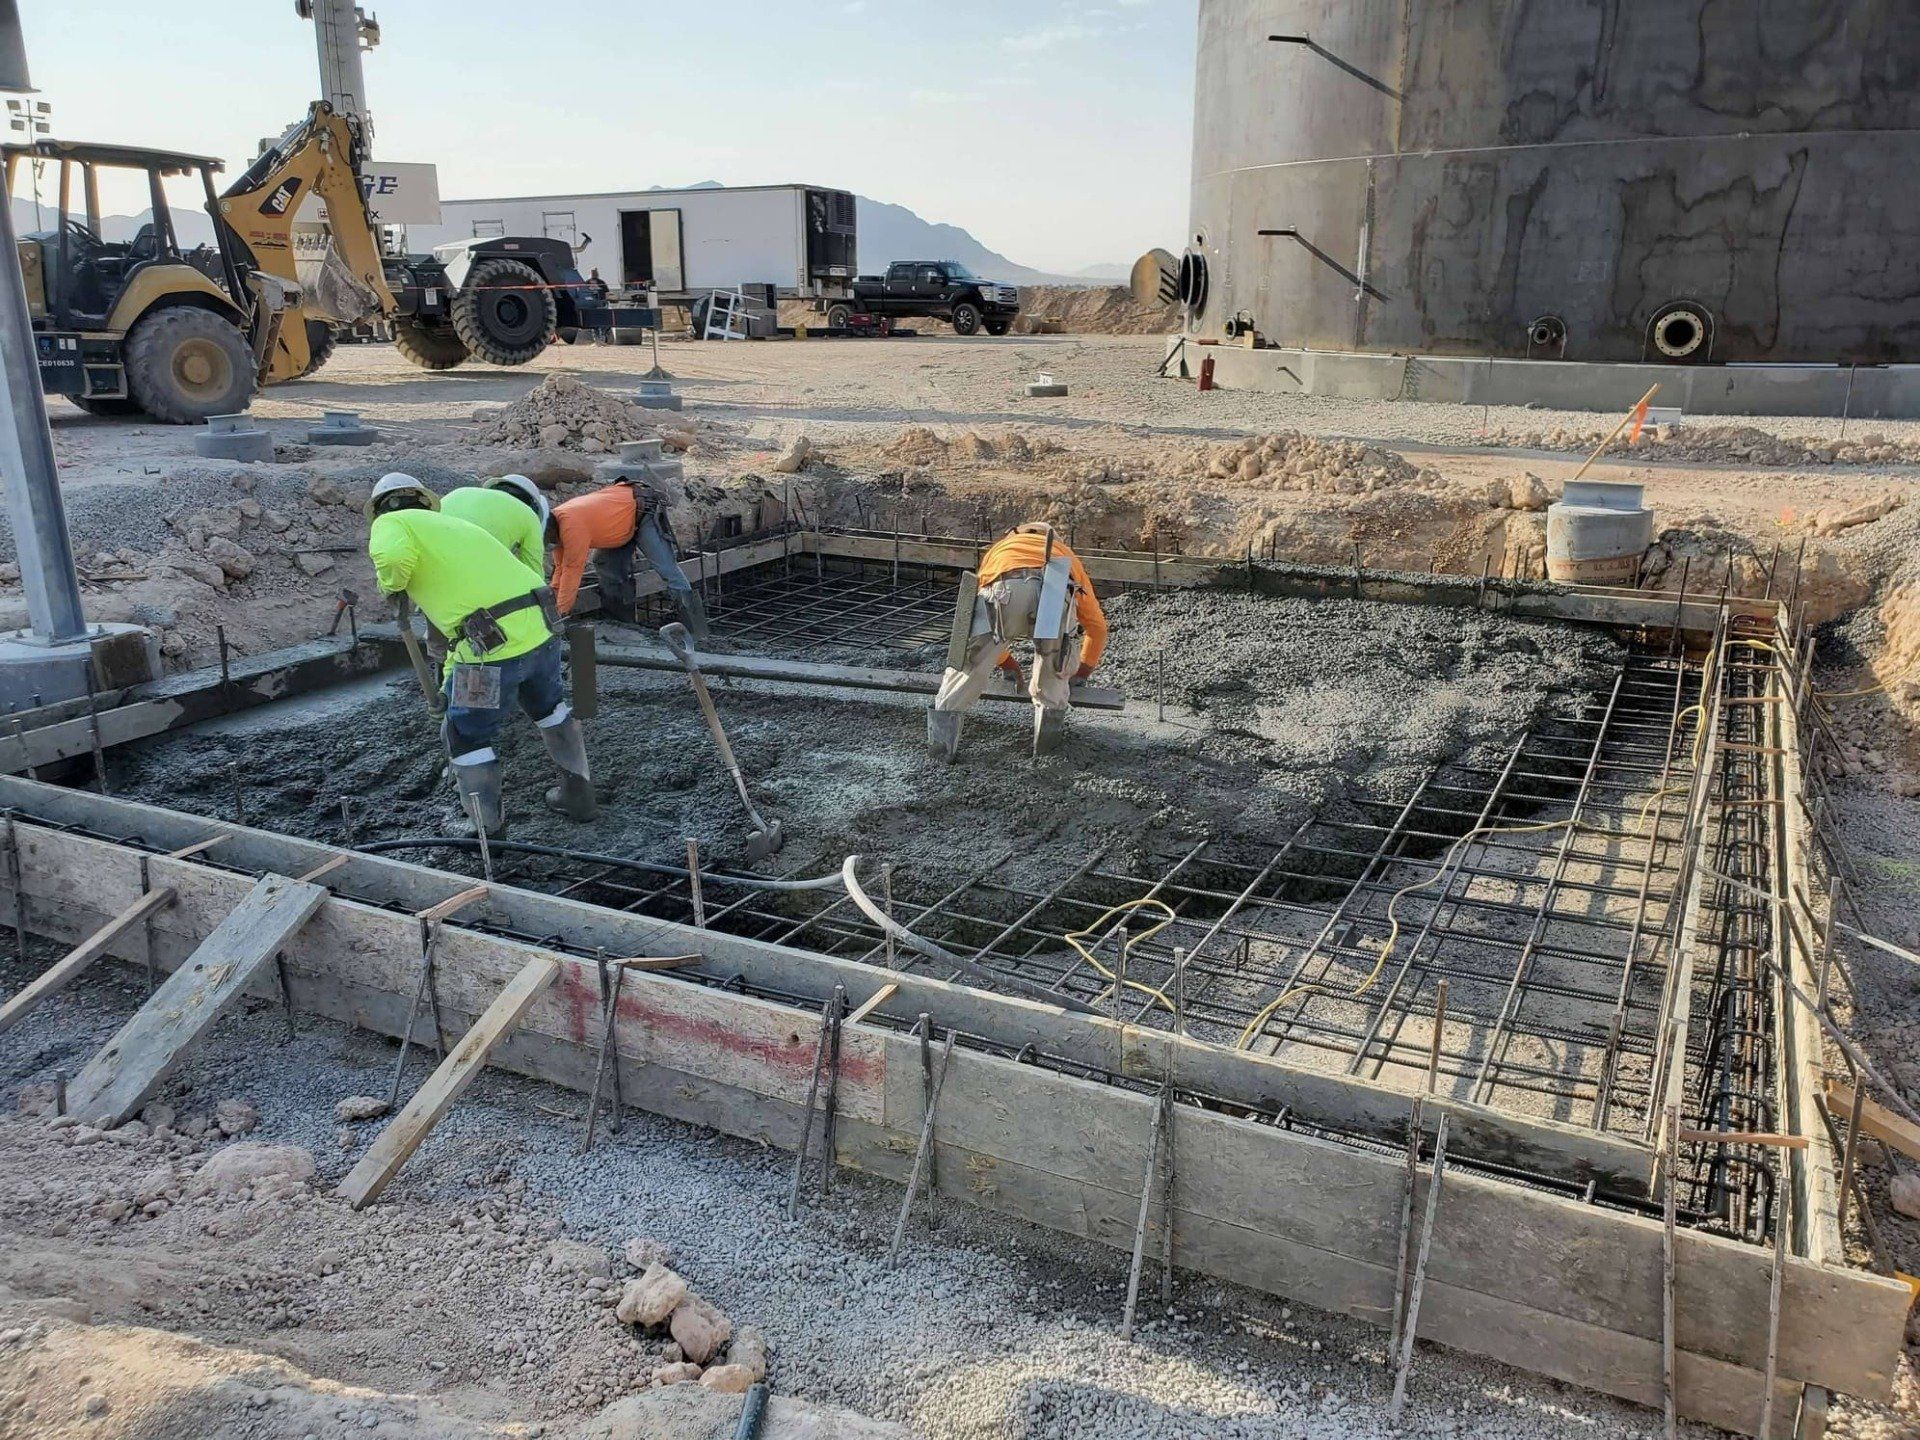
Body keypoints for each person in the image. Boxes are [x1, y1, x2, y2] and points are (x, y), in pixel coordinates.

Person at [365, 473, 595, 834]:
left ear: (379, 509)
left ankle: (485, 828)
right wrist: (448, 686)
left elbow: (393, 560)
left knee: (467, 737)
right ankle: (579, 797)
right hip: (541, 632)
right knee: (550, 711)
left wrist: (390, 585)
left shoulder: (391, 522)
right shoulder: (454, 527)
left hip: (490, 654)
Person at [928, 523, 1108, 760]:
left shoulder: (1000, 549)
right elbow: (1097, 626)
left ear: (1017, 534)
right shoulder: (1066, 555)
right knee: (1052, 677)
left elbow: (986, 627)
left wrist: (1008, 664)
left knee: (967, 670)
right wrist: (1082, 671)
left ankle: (941, 749)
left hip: (1003, 586)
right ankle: (1046, 754)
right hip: (1053, 591)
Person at [549, 477, 709, 638]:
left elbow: (572, 572)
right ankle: (622, 626)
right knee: (605, 565)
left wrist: (559, 615)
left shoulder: (571, 528)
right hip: (618, 525)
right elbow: (560, 570)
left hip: (641, 511)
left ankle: (697, 629)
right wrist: (552, 606)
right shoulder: (554, 527)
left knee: (667, 569)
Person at [439, 474, 549, 582]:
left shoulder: (460, 492)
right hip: (465, 568)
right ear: (532, 505)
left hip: (428, 549)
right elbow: (534, 571)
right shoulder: (529, 516)